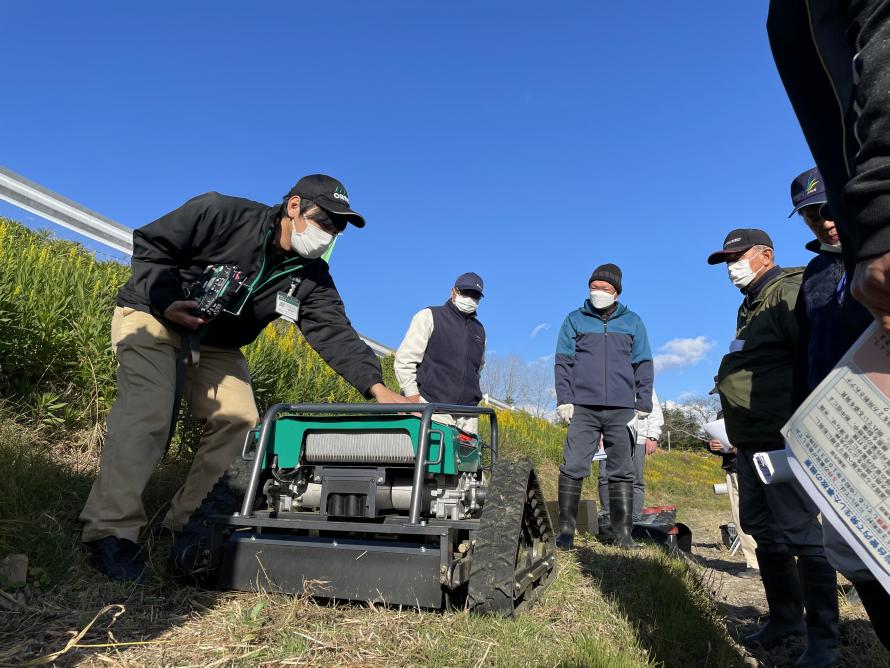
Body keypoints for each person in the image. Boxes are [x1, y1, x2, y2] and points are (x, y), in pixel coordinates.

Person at [79, 174, 410, 583]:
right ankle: (110, 533)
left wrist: (377, 389)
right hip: (153, 316)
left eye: (338, 228)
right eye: (325, 220)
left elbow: (334, 332)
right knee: (148, 413)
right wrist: (165, 301)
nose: (329, 234)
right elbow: (153, 244)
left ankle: (191, 526)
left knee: (240, 421)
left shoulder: (312, 279)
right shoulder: (222, 213)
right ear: (294, 207)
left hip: (216, 343)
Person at [768, 7, 890, 650]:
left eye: (831, 209)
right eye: (813, 216)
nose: (826, 222)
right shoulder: (814, 280)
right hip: (842, 426)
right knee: (848, 547)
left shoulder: (872, 256)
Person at [708, 228, 839, 667]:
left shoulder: (788, 292)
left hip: (784, 436)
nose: (731, 267)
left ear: (765, 255)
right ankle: (785, 619)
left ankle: (825, 640)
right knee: (762, 530)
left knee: (801, 532)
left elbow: (814, 358)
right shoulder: (749, 306)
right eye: (726, 260)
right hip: (749, 440)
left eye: (737, 257)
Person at [554, 263, 654, 550]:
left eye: (605, 289)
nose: (599, 292)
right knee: (573, 465)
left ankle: (623, 534)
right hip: (583, 407)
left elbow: (643, 362)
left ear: (617, 293)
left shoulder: (633, 322)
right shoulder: (574, 320)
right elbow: (563, 362)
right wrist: (565, 399)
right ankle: (566, 532)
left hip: (622, 408)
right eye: (594, 287)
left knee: (622, 470)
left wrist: (643, 400)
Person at [393, 273, 486, 433]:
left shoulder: (480, 331)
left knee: (465, 458)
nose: (470, 298)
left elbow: (478, 367)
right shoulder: (429, 316)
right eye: (466, 292)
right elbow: (404, 359)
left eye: (475, 295)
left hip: (467, 416)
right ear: (453, 291)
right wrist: (412, 396)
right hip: (431, 407)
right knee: (430, 457)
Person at [705, 400, 759, 579]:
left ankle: (780, 560)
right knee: (740, 517)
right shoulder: (721, 415)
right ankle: (754, 563)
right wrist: (713, 447)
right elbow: (719, 443)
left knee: (763, 515)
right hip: (733, 469)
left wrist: (741, 448)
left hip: (755, 467)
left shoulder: (753, 407)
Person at [597, 389, 663, 524]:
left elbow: (654, 409)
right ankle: (607, 515)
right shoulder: (606, 377)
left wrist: (652, 436)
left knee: (636, 479)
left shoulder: (642, 380)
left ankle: (634, 518)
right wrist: (598, 432)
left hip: (638, 436)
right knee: (604, 475)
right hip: (609, 435)